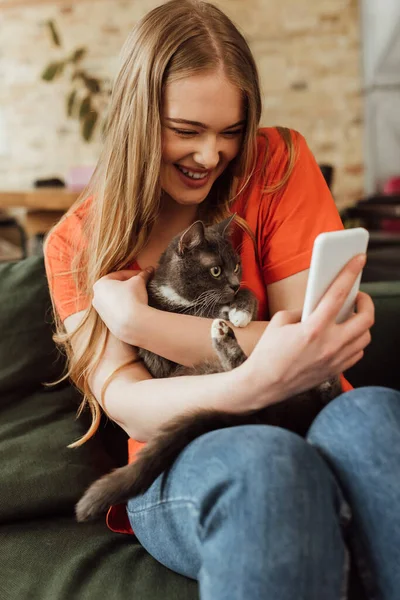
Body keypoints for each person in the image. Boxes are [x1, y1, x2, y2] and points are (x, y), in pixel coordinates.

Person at [44, 1, 400, 599]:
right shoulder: (78, 242)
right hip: (184, 449)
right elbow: (131, 404)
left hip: (313, 409)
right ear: (138, 117)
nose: (211, 155)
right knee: (264, 464)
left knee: (376, 417)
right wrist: (251, 380)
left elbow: (313, 336)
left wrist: (141, 322)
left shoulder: (277, 163)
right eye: (186, 131)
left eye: (230, 132)